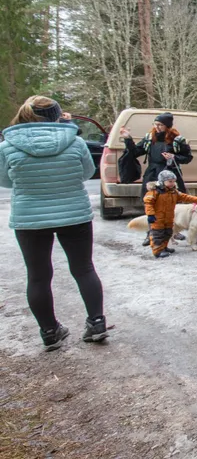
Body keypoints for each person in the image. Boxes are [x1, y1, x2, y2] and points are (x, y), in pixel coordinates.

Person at [0, 96, 108, 351]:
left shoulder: (7, 145)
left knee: (38, 276)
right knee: (84, 269)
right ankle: (97, 323)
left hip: (30, 218)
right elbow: (85, 172)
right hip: (74, 214)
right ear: (57, 115)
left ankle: (50, 331)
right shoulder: (76, 141)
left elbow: (5, 181)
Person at [121, 112, 193, 246]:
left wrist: (174, 157)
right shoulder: (149, 138)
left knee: (171, 204)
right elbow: (136, 152)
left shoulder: (177, 140)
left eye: (160, 125)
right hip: (152, 175)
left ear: (168, 126)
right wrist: (127, 139)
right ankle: (151, 233)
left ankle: (172, 231)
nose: (157, 127)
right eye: (156, 124)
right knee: (150, 204)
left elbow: (188, 158)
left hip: (170, 174)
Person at [144, 170, 197, 258]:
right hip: (157, 218)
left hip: (168, 218)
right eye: (170, 181)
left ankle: (164, 247)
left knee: (167, 233)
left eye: (173, 181)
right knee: (158, 235)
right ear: (162, 181)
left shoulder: (173, 192)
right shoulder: (154, 192)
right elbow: (148, 203)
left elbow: (185, 197)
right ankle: (157, 251)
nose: (172, 183)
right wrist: (150, 215)